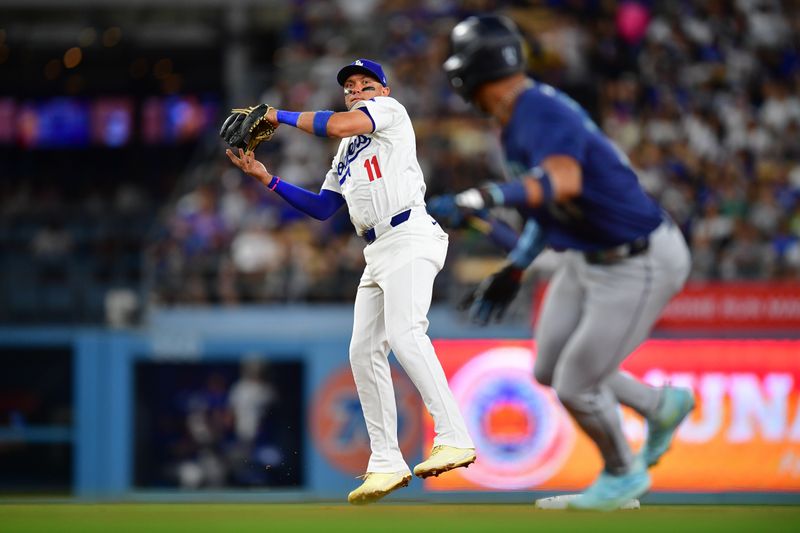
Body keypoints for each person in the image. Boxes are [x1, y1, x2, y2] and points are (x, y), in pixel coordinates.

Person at [432, 15, 695, 511]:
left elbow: (563, 183)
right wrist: (516, 266)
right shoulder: (517, 118)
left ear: (472, 72)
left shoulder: (537, 111)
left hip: (637, 261)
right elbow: (545, 209)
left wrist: (481, 197)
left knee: (577, 384)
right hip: (587, 256)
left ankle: (622, 479)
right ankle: (661, 406)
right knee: (550, 367)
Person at [223, 59, 475, 504]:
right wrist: (268, 179)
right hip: (377, 249)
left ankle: (454, 436)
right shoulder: (347, 151)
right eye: (350, 86)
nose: (357, 90)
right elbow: (324, 208)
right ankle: (385, 460)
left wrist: (277, 114)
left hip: (410, 234)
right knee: (362, 350)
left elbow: (337, 125)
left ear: (383, 89)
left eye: (366, 84)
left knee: (405, 334)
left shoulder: (390, 111)